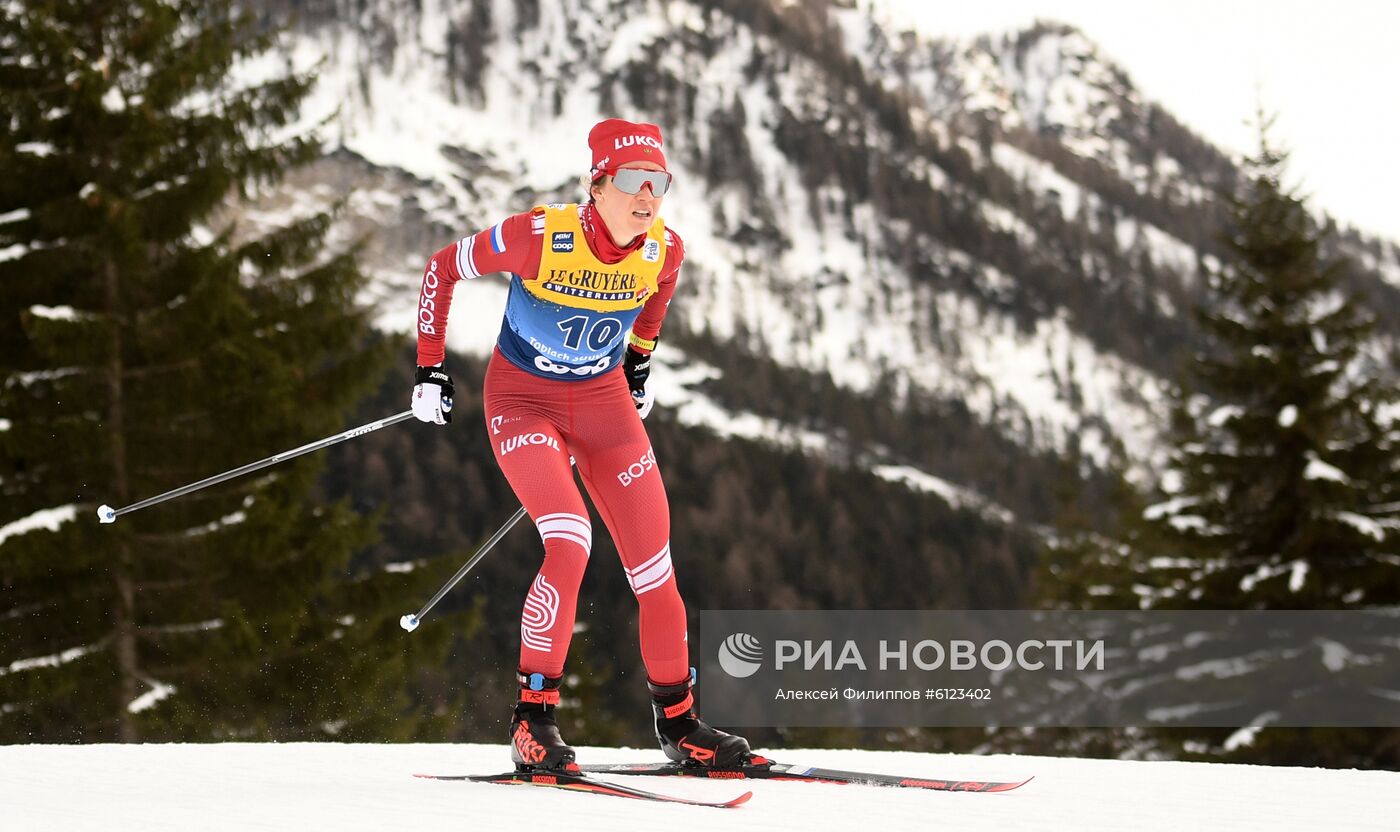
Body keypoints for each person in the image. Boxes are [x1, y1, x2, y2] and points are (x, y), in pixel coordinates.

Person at [409, 118, 751, 772]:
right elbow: (442, 267)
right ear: (598, 185)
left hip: (604, 409)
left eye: (660, 183)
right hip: (522, 404)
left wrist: (639, 365)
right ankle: (532, 723)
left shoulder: (663, 250)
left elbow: (657, 300)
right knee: (570, 540)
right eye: (632, 181)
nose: (648, 197)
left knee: (655, 568)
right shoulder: (539, 237)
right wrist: (430, 369)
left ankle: (680, 726)